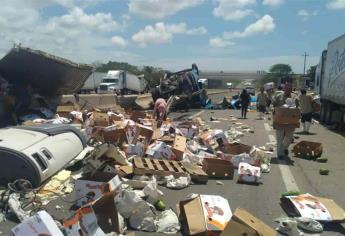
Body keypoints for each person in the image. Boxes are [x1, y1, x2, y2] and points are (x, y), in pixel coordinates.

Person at [272, 83, 297, 159]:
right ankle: (280, 154)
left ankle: (284, 148)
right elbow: (273, 104)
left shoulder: (294, 97)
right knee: (279, 137)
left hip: (290, 121)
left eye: (290, 88)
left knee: (289, 137)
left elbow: (298, 108)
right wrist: (274, 109)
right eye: (287, 88)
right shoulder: (278, 96)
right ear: (284, 89)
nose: (288, 90)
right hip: (279, 120)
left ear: (291, 89)